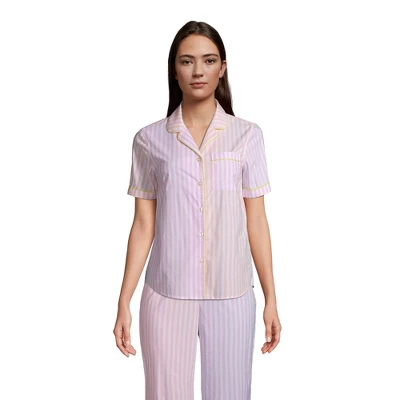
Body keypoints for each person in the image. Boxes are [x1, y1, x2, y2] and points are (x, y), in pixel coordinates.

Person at [113, 20, 282, 400]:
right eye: (187, 61)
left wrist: (271, 297)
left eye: (208, 60)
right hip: (166, 292)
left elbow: (256, 221)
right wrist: (124, 298)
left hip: (231, 292)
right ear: (174, 70)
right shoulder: (149, 140)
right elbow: (143, 225)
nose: (198, 71)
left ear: (222, 68)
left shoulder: (247, 136)